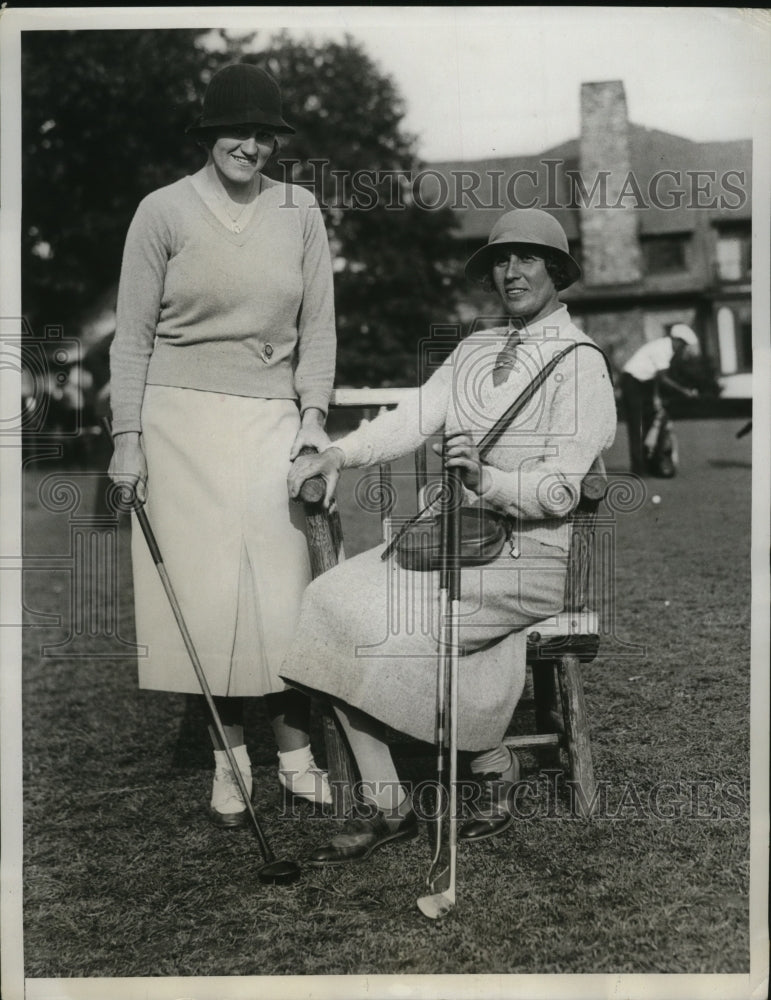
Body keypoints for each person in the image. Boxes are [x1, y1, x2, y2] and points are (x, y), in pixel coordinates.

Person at [282, 208, 617, 864]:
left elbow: (561, 488)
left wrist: (486, 479)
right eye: (499, 260)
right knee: (327, 601)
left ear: (557, 271)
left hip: (529, 558)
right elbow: (410, 420)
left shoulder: (582, 364)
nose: (510, 271)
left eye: (526, 258)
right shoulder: (474, 349)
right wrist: (338, 457)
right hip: (450, 541)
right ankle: (389, 805)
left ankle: (490, 763)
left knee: (392, 623)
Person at [108, 62, 336, 826]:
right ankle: (229, 761)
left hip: (271, 414)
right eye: (237, 131)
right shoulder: (161, 212)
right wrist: (127, 440)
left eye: (266, 133)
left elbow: (319, 329)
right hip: (178, 422)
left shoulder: (300, 209)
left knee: (283, 589)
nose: (253, 146)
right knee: (207, 600)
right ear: (208, 136)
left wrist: (312, 417)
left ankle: (296, 754)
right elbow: (131, 339)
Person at [620, 324, 700, 475]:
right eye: (683, 344)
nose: (683, 348)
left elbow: (655, 378)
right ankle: (638, 469)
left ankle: (652, 465)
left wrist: (655, 397)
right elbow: (662, 378)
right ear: (676, 340)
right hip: (632, 383)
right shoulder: (662, 349)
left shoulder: (667, 349)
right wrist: (684, 391)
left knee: (651, 423)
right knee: (637, 426)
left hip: (644, 384)